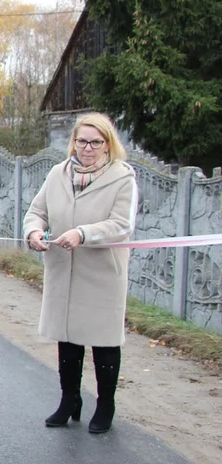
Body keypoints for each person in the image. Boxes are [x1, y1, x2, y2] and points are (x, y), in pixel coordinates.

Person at [24, 113, 137, 434]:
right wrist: (34, 232)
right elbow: (36, 212)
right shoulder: (57, 173)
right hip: (62, 268)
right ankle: (70, 399)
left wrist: (83, 233)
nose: (87, 148)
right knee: (68, 336)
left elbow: (122, 224)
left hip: (102, 272)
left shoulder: (122, 178)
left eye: (95, 142)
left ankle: (105, 404)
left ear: (108, 145)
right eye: (82, 141)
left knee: (103, 339)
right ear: (73, 142)